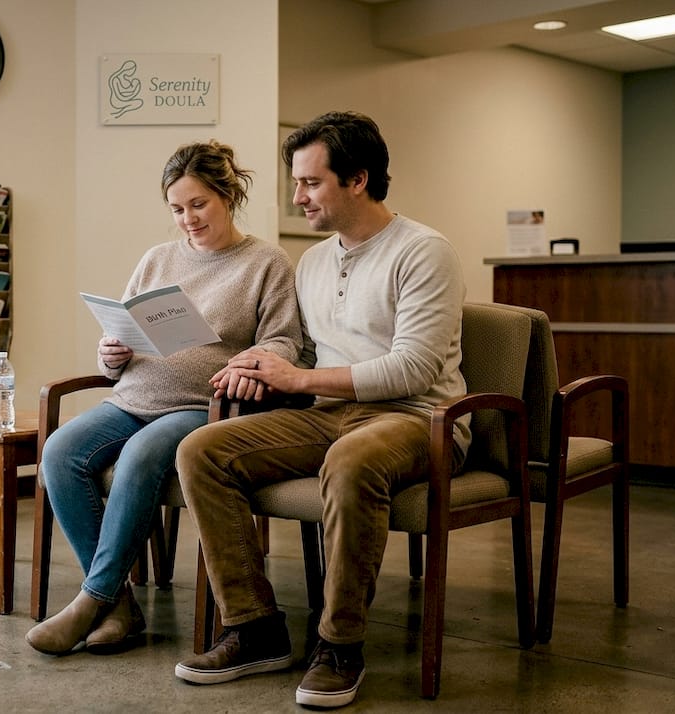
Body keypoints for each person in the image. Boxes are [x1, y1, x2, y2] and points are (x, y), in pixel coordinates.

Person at [172, 111, 469, 709]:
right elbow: (304, 352)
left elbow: (411, 369)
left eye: (309, 182)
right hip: (330, 414)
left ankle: (340, 644)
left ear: (357, 179)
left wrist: (299, 375)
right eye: (296, 182)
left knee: (351, 459)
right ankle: (255, 627)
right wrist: (258, 363)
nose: (296, 195)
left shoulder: (424, 251)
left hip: (418, 418)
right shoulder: (311, 262)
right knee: (202, 450)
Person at [26, 140, 304, 656]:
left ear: (228, 195)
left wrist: (253, 360)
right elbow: (121, 340)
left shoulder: (266, 261)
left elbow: (285, 340)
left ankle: (91, 602)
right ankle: (118, 605)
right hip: (132, 396)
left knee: (139, 456)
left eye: (198, 205)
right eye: (177, 209)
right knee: (59, 453)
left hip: (200, 407)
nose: (188, 219)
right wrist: (110, 353)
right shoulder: (156, 259)